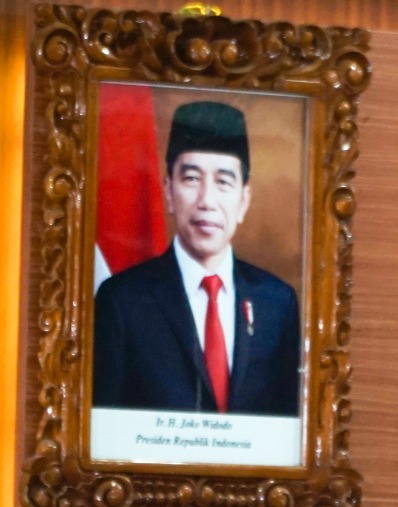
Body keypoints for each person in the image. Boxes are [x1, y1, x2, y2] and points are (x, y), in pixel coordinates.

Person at [92, 100, 302, 416]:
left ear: (243, 201)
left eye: (223, 182)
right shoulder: (122, 301)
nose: (207, 201)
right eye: (192, 178)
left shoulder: (277, 304)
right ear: (168, 191)